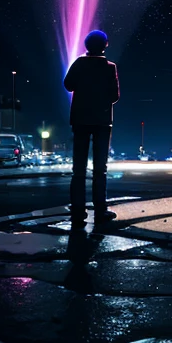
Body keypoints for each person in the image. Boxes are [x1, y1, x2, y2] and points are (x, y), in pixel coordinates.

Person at [64, 29, 120, 228]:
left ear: (86, 46)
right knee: (100, 169)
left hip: (80, 119)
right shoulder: (109, 67)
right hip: (102, 121)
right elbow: (115, 96)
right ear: (105, 45)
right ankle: (100, 210)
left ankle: (78, 211)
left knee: (78, 169)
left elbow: (68, 85)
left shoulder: (79, 63)